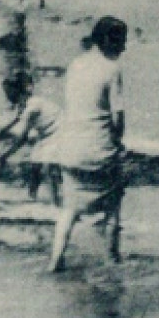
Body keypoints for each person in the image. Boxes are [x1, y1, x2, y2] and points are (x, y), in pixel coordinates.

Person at [48, 16, 128, 272]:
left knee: (69, 210)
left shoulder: (75, 65)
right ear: (107, 40)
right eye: (121, 41)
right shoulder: (111, 70)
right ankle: (112, 259)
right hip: (98, 152)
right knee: (114, 204)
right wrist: (117, 143)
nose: (123, 48)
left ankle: (56, 260)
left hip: (70, 149)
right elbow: (118, 117)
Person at [0, 70, 62, 204]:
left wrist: (2, 158)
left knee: (50, 166)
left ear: (17, 91)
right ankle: (34, 198)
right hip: (46, 134)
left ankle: (56, 203)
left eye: (9, 91)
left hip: (60, 133)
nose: (7, 95)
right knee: (35, 165)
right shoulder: (25, 105)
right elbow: (6, 129)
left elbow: (22, 139)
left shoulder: (32, 107)